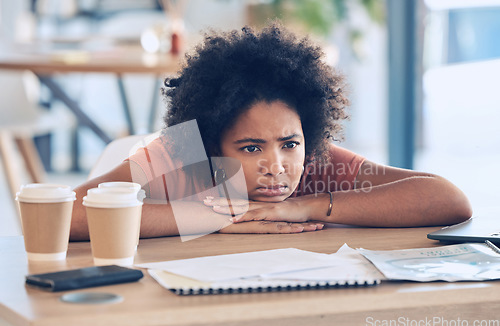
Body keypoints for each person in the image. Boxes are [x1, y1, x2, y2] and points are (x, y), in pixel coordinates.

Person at [70, 23, 472, 241]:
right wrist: (208, 218)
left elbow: (448, 199)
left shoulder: (318, 161)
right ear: (209, 145)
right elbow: (65, 215)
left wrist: (303, 206)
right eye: (249, 147)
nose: (276, 166)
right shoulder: (179, 155)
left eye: (289, 143)